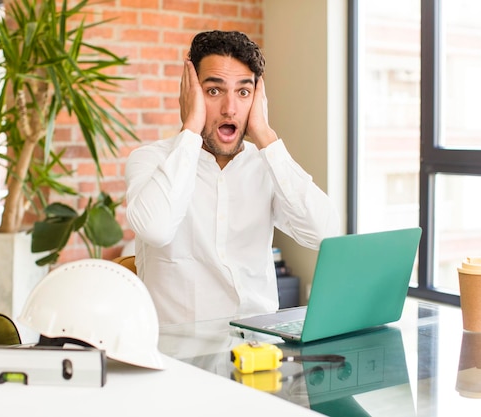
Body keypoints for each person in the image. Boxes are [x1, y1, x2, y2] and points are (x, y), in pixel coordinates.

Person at [125, 30, 340, 325]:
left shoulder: (266, 165)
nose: (230, 108)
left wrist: (265, 135)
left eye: (243, 92)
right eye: (214, 91)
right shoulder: (151, 160)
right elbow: (155, 229)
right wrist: (190, 128)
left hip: (258, 349)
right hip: (180, 356)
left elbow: (323, 234)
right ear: (190, 93)